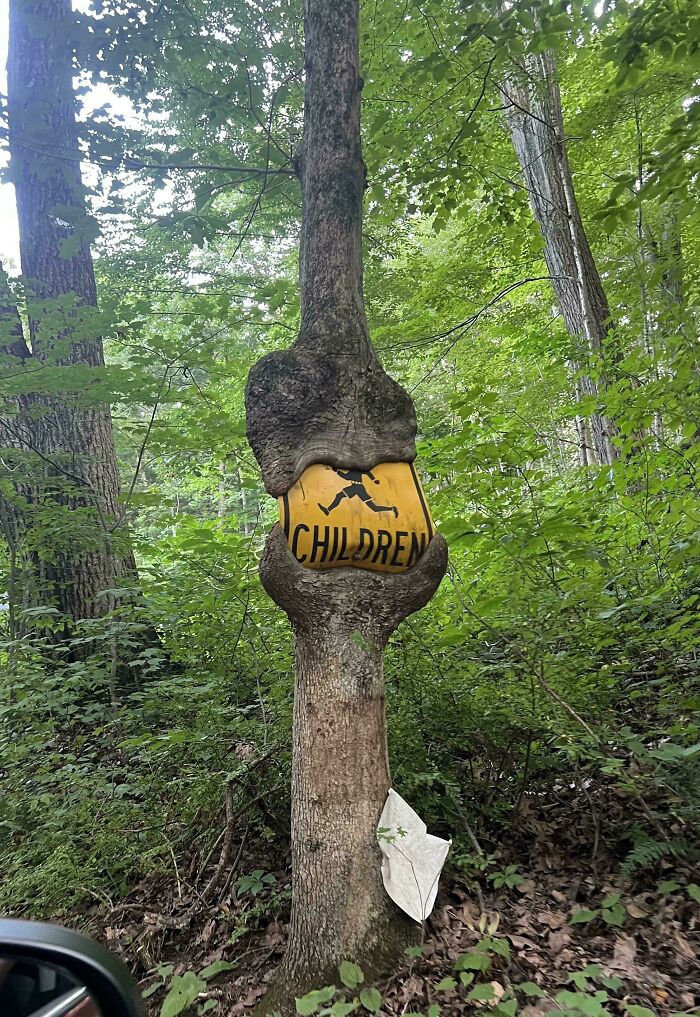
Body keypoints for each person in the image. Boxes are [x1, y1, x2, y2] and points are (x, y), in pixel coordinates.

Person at [318, 467, 398, 517]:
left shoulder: (356, 469)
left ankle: (392, 508)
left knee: (374, 508)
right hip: (355, 487)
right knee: (339, 496)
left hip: (358, 488)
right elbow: (346, 477)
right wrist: (336, 471)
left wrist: (374, 480)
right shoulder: (353, 470)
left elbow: (366, 472)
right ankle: (328, 510)